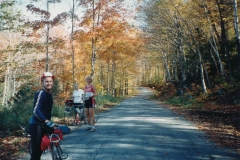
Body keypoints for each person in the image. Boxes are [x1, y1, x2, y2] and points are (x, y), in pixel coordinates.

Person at [28, 72, 56, 160]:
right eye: (46, 81)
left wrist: (48, 121)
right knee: (36, 152)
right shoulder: (41, 93)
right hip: (37, 124)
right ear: (42, 82)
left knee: (43, 146)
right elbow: (35, 110)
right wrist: (46, 120)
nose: (49, 83)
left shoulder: (49, 94)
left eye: (50, 81)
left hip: (44, 124)